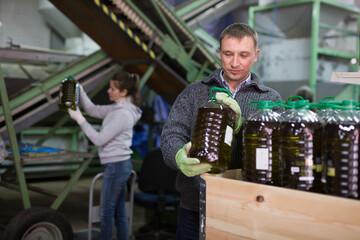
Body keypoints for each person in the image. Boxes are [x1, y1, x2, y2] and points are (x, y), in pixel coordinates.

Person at [160, 22, 284, 240]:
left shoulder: (270, 99)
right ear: (219, 53)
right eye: (228, 54)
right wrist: (178, 156)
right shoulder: (194, 92)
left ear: (256, 55)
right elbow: (172, 134)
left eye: (243, 55)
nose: (235, 63)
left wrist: (242, 126)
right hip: (194, 206)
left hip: (247, 205)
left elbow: (277, 149)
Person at [68, 72, 142, 240]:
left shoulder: (122, 114)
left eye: (113, 89)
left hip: (116, 166)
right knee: (118, 212)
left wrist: (80, 119)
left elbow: (99, 139)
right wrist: (79, 88)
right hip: (120, 164)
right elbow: (93, 110)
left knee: (106, 212)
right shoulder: (119, 107)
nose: (108, 91)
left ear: (124, 93)